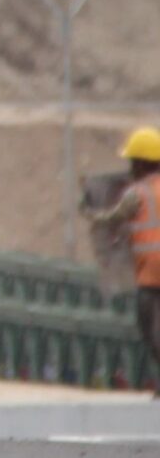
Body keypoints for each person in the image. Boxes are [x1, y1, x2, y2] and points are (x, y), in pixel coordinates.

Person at [91, 126, 160, 391]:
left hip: (150, 276)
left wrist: (90, 213)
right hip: (151, 274)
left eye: (132, 161)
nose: (130, 167)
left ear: (142, 162)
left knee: (148, 327)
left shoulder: (137, 192)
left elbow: (113, 217)